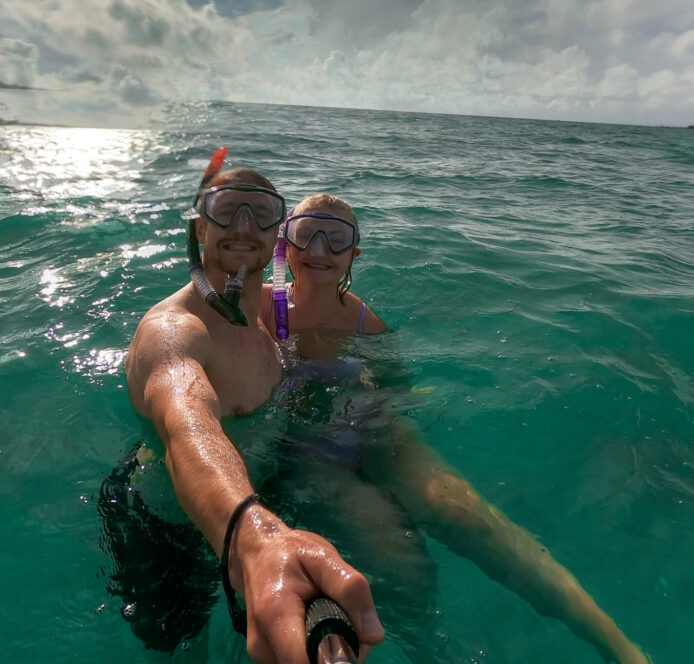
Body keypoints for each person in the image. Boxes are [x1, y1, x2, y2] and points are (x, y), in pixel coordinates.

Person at [260, 193, 650, 664]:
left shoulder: (366, 323)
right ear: (284, 242)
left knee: (465, 514)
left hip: (369, 429)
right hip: (304, 452)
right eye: (306, 234)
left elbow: (397, 389)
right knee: (399, 560)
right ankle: (428, 647)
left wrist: (390, 411)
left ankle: (620, 647)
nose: (319, 250)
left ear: (352, 257)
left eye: (336, 239)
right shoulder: (260, 310)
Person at [103, 151, 385, 664]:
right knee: (179, 650)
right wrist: (254, 540)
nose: (242, 226)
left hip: (258, 500)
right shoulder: (174, 332)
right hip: (168, 526)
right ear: (198, 231)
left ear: (280, 236)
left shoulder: (265, 320)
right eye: (225, 210)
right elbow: (186, 423)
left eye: (260, 214)